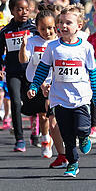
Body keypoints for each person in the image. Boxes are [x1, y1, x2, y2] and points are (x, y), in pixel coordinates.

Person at [27, 6, 96, 177]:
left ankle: (84, 137)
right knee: (66, 134)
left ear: (79, 25)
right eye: (61, 22)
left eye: (68, 23)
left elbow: (92, 71)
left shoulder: (85, 47)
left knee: (82, 128)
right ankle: (73, 163)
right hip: (59, 98)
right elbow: (42, 69)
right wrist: (34, 86)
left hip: (81, 97)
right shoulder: (53, 47)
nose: (63, 26)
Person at [0, 0, 37, 152]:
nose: (23, 12)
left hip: (31, 72)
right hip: (13, 72)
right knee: (15, 102)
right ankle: (19, 139)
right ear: (12, 11)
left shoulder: (34, 29)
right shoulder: (5, 31)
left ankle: (35, 130)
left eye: (26, 9)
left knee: (30, 104)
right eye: (19, 9)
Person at [20, 9, 64, 159]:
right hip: (35, 82)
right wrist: (22, 46)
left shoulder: (59, 42)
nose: (47, 32)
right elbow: (24, 59)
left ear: (56, 26)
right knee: (42, 115)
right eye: (43, 29)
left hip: (54, 82)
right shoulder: (33, 42)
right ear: (37, 28)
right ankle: (46, 139)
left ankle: (51, 140)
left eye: (50, 28)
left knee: (49, 114)